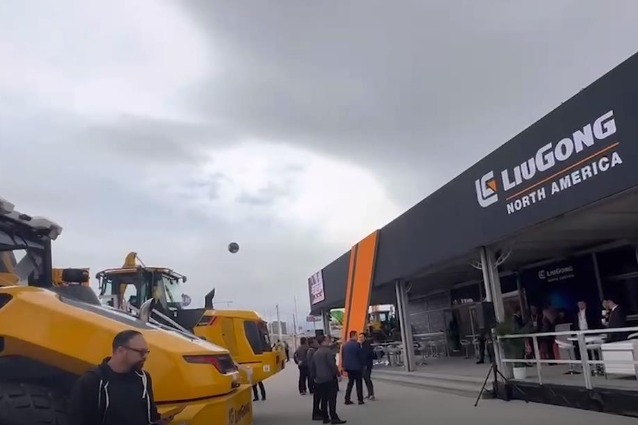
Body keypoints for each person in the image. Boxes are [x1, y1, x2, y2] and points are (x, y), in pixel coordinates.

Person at [68, 329, 171, 425]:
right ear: (120, 351)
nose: (145, 357)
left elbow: (150, 417)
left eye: (146, 352)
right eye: (141, 352)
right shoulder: (92, 381)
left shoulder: (143, 378)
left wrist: (161, 421)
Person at [310, 335, 346, 424]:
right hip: (329, 378)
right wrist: (338, 374)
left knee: (324, 399)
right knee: (332, 399)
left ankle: (325, 417)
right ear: (323, 342)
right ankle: (334, 417)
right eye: (327, 340)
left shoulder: (316, 353)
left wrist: (314, 377)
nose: (328, 341)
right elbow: (332, 365)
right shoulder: (327, 352)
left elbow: (313, 366)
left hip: (319, 379)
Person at [341, 330, 364, 405]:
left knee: (350, 383)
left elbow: (343, 356)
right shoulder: (357, 345)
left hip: (348, 367)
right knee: (358, 383)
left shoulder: (345, 345)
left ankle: (347, 399)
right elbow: (360, 355)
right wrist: (362, 365)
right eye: (356, 335)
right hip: (357, 367)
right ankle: (360, 399)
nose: (357, 337)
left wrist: (344, 366)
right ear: (353, 336)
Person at [358, 333, 375, 400]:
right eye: (359, 337)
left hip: (367, 364)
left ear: (364, 338)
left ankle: (371, 394)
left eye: (362, 337)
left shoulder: (367, 345)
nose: (360, 339)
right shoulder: (359, 345)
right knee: (365, 379)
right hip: (362, 365)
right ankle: (369, 393)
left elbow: (367, 354)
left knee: (367, 378)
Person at [307, 337, 321, 419]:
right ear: (312, 343)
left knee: (318, 395)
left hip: (315, 375)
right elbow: (312, 365)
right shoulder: (312, 352)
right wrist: (314, 376)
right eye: (315, 342)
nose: (317, 344)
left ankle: (317, 411)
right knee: (317, 396)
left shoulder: (313, 351)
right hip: (315, 376)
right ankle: (315, 413)